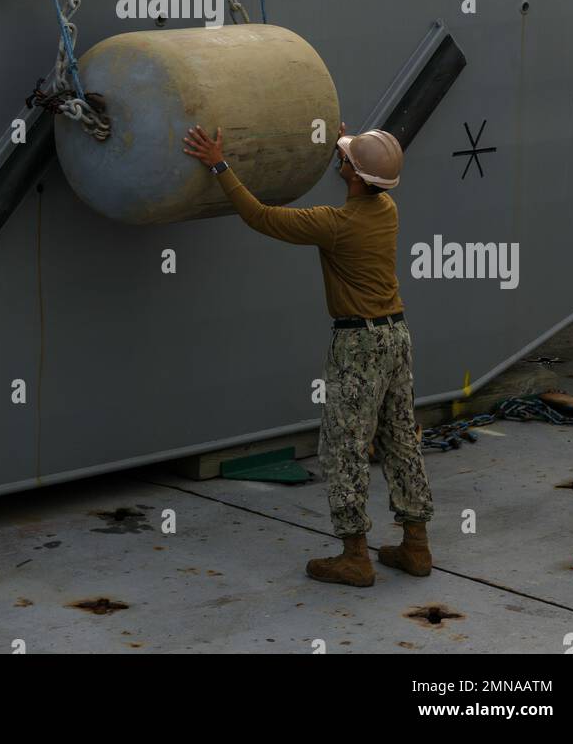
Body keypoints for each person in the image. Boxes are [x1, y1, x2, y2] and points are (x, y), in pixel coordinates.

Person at [183, 121, 434, 587]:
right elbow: (366, 171)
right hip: (396, 337)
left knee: (344, 447)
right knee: (399, 437)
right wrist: (347, 142)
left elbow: (260, 216)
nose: (341, 161)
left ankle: (355, 556)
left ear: (354, 177)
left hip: (358, 344)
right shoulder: (387, 210)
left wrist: (218, 162)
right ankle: (416, 546)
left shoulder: (334, 225)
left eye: (345, 160)